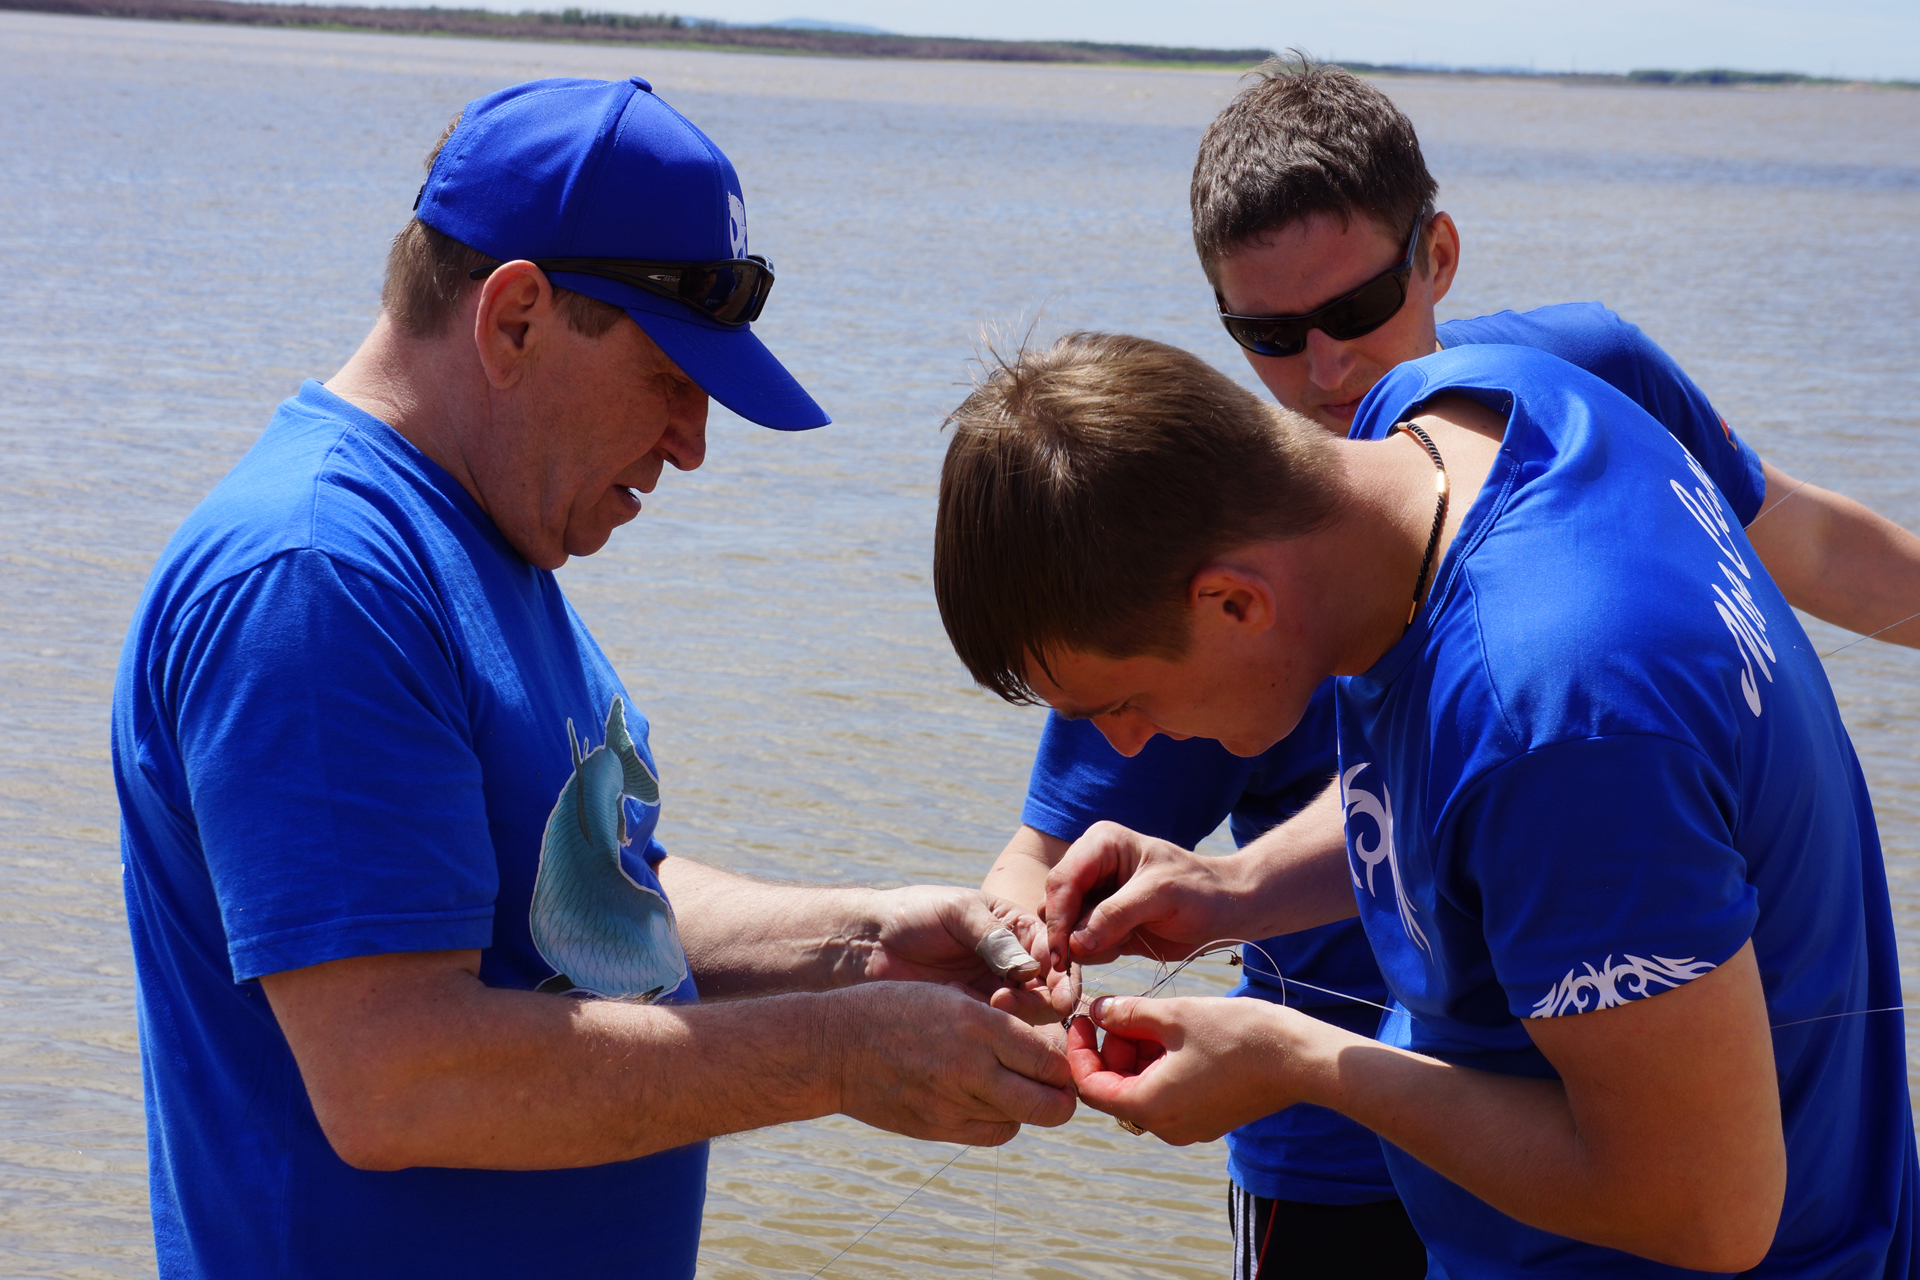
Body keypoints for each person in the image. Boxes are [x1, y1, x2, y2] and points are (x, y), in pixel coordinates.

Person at [111, 77, 1073, 1280]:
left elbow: (585, 902)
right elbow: (399, 1078)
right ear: (514, 318)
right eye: (672, 378)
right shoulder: (316, 575)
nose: (693, 443)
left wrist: (860, 941)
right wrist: (836, 1053)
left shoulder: (480, 537)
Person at [978, 60, 1920, 1278]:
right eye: (1267, 335)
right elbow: (1443, 800)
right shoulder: (1448, 431)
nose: (1128, 746)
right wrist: (1234, 891)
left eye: (1128, 705)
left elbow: (1707, 1207)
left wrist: (1299, 1056)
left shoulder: (1560, 716)